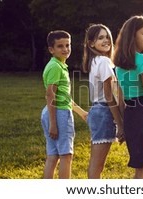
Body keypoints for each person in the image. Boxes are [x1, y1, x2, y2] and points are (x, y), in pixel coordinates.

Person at [113, 15, 143, 179]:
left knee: (140, 169)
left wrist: (123, 124)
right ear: (133, 35)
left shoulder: (119, 64)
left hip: (131, 117)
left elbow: (121, 99)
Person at [41, 30, 88, 179]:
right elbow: (51, 94)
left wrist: (81, 113)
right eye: (60, 46)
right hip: (58, 114)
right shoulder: (56, 67)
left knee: (53, 156)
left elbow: (64, 96)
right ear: (51, 49)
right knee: (66, 156)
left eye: (68, 45)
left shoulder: (58, 65)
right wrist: (53, 124)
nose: (65, 49)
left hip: (53, 112)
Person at [82, 24, 124, 179]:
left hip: (97, 111)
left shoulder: (95, 60)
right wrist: (120, 124)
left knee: (95, 163)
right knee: (97, 165)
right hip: (103, 112)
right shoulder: (104, 62)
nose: (106, 40)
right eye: (101, 38)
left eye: (107, 37)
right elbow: (108, 96)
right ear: (91, 43)